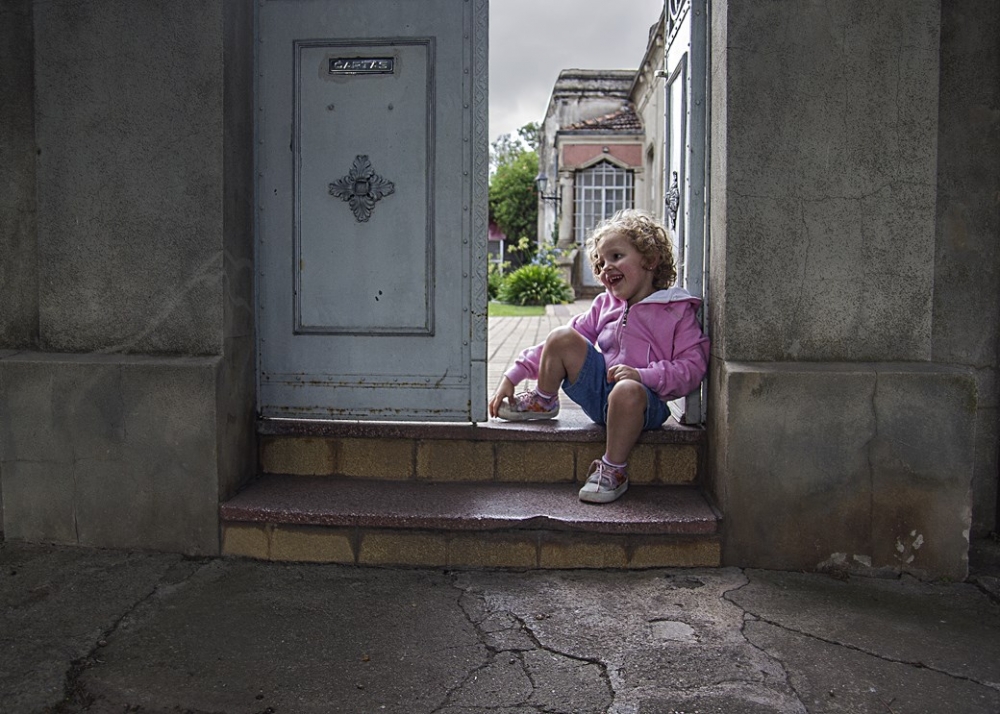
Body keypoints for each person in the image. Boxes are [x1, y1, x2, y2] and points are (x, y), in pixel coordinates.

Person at [488, 209, 709, 504]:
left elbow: (693, 366)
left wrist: (643, 375)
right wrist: (511, 375)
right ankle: (543, 400)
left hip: (643, 403)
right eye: (601, 262)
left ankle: (613, 470)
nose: (606, 268)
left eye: (616, 257)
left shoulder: (675, 310)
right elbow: (556, 346)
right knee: (562, 337)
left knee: (627, 389)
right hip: (598, 395)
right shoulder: (604, 305)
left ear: (651, 260)